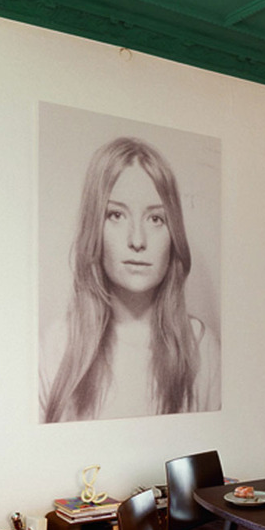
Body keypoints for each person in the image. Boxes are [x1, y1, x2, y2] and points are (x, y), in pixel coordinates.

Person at [40, 136, 220, 422]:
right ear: (93, 228)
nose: (137, 240)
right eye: (116, 215)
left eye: (156, 219)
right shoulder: (57, 345)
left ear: (174, 234)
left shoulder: (201, 347)